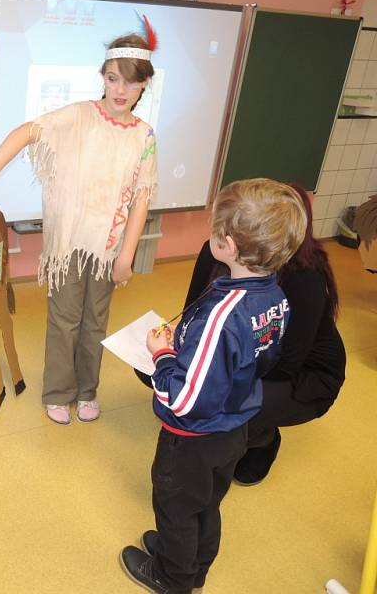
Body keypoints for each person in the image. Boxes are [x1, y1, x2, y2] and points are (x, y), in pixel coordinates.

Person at [0, 26, 158, 425]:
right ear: (103, 77)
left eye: (131, 82)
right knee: (65, 319)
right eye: (113, 78)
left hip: (108, 250)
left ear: (144, 85)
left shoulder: (144, 137)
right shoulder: (80, 116)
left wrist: (127, 256)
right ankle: (59, 392)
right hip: (68, 248)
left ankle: (87, 391)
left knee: (95, 321)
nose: (120, 90)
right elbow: (26, 133)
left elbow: (141, 198)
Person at [120, 178, 306, 594]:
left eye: (214, 230)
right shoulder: (274, 296)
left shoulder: (222, 316)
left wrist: (162, 355)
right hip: (235, 424)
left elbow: (184, 398)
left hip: (193, 436)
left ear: (229, 246)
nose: (210, 235)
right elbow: (264, 359)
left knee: (176, 505)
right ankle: (189, 561)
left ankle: (173, 577)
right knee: (206, 501)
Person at [181, 185, 346, 486]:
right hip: (249, 357)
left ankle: (262, 438)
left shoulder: (304, 279)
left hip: (300, 377)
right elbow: (191, 313)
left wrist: (220, 373)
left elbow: (285, 364)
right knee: (157, 367)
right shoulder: (214, 251)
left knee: (225, 396)